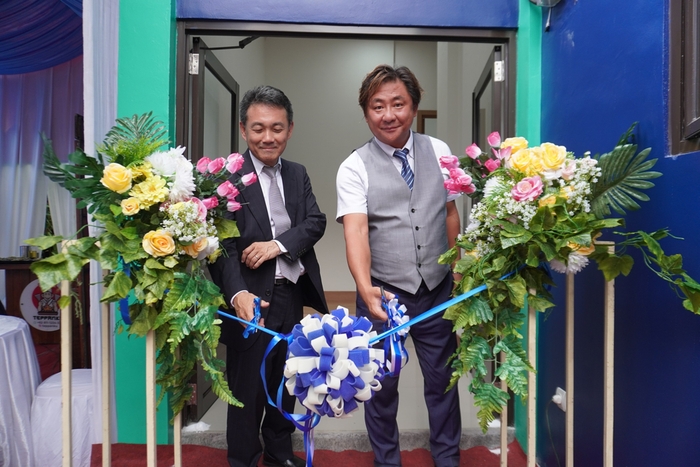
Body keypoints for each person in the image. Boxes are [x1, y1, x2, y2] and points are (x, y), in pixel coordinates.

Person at [336, 65, 462, 467]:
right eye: (378, 106)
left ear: (414, 107)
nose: (388, 115)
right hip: (384, 292)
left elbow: (449, 213)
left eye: (398, 104)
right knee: (380, 385)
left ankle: (448, 458)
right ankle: (386, 461)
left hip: (437, 289)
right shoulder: (354, 166)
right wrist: (364, 288)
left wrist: (457, 268)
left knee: (443, 381)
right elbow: (356, 231)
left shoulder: (439, 150)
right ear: (366, 112)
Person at [210, 85, 328, 467]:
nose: (267, 137)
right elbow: (222, 247)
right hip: (250, 299)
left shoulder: (297, 173)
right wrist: (237, 295)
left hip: (291, 293)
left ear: (289, 129)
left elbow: (315, 221)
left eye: (277, 128)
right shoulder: (227, 178)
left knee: (287, 380)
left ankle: (279, 454)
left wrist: (276, 245)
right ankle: (243, 458)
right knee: (246, 390)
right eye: (258, 128)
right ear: (243, 129)